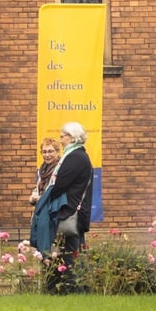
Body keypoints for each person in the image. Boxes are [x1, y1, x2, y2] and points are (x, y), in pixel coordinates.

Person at [44, 122, 94, 294]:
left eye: (63, 136)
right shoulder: (76, 156)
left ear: (72, 138)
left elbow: (60, 184)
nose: (61, 139)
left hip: (71, 214)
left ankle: (75, 291)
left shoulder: (75, 157)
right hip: (72, 213)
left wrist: (45, 195)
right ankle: (65, 290)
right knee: (67, 254)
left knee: (71, 256)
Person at [29, 136, 60, 206]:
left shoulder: (61, 169)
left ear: (58, 152)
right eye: (44, 152)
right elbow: (37, 188)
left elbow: (58, 193)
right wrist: (33, 196)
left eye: (50, 151)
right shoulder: (41, 170)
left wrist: (41, 198)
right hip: (41, 209)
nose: (47, 155)